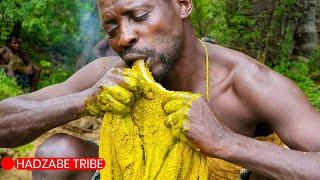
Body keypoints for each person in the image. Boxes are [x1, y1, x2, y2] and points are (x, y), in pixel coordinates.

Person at [0, 0, 320, 179]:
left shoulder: (247, 82)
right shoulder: (108, 73)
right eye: (112, 28)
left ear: (182, 5)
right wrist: (81, 101)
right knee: (55, 157)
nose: (124, 38)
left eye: (138, 16)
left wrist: (227, 143)